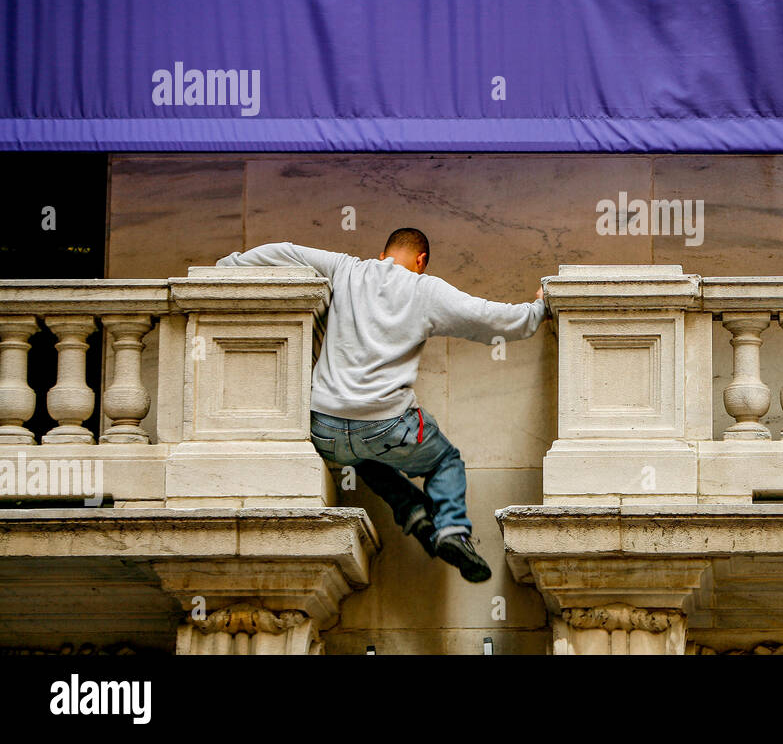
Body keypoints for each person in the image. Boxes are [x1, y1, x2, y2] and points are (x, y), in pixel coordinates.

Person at [215, 228, 548, 582]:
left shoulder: (346, 269)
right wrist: (539, 307)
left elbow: (284, 249)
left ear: (383, 254)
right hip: (388, 425)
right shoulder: (425, 290)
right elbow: (491, 318)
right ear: (421, 261)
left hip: (324, 429)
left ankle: (413, 511)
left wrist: (228, 266)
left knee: (361, 458)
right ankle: (451, 528)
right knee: (444, 460)